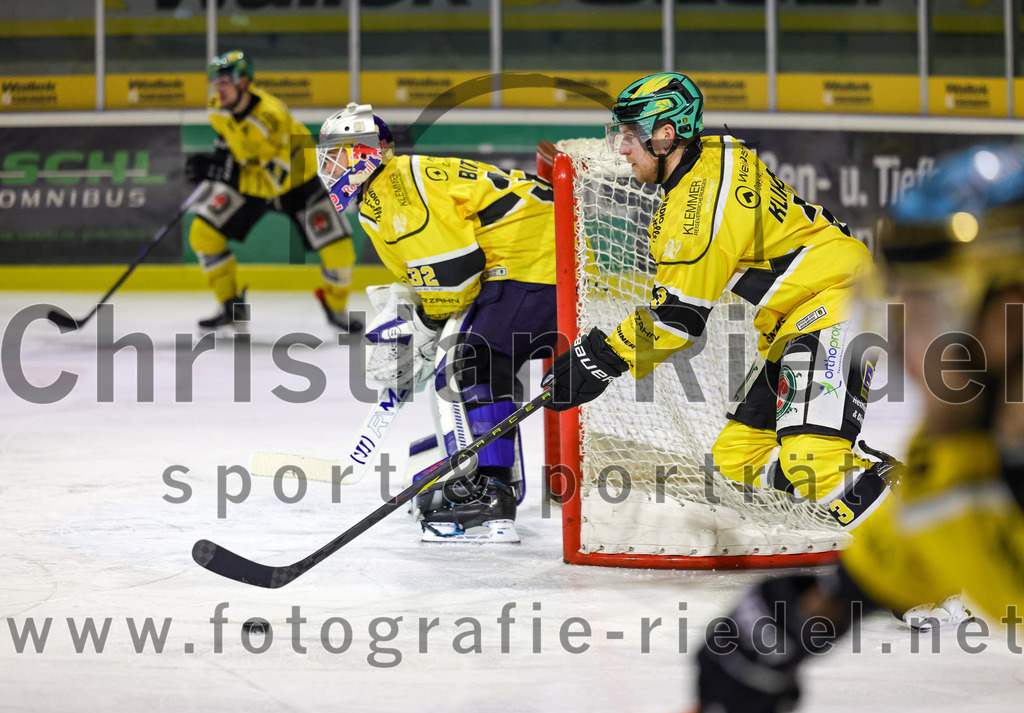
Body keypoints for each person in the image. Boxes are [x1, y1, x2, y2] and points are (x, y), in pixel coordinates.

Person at [693, 142, 1024, 713]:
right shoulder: (959, 447)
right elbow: (907, 555)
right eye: (908, 312)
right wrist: (793, 625)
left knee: (809, 456)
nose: (911, 354)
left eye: (939, 313)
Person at [544, 72, 896, 531]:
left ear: (666, 135)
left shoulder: (698, 210)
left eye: (629, 136)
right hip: (796, 314)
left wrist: (600, 359)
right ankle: (876, 478)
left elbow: (677, 321)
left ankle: (927, 579)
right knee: (737, 461)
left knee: (815, 460)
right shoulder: (717, 150)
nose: (621, 149)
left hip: (840, 301)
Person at [315, 102, 558, 543]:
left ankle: (492, 489)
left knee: (467, 361)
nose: (330, 164)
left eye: (338, 152)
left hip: (537, 263)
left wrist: (423, 329)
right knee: (481, 361)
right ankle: (496, 480)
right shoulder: (390, 185)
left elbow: (456, 279)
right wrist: (420, 317)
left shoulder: (396, 192)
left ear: (366, 152)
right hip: (539, 259)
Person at [186, 50, 360, 331]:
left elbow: (273, 179)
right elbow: (229, 138)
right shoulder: (217, 107)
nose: (218, 89)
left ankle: (336, 308)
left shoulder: (271, 116)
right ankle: (231, 306)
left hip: (296, 183)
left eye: (225, 81)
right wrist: (216, 160)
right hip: (250, 181)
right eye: (215, 82)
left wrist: (228, 174)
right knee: (203, 234)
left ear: (244, 82)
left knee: (340, 253)